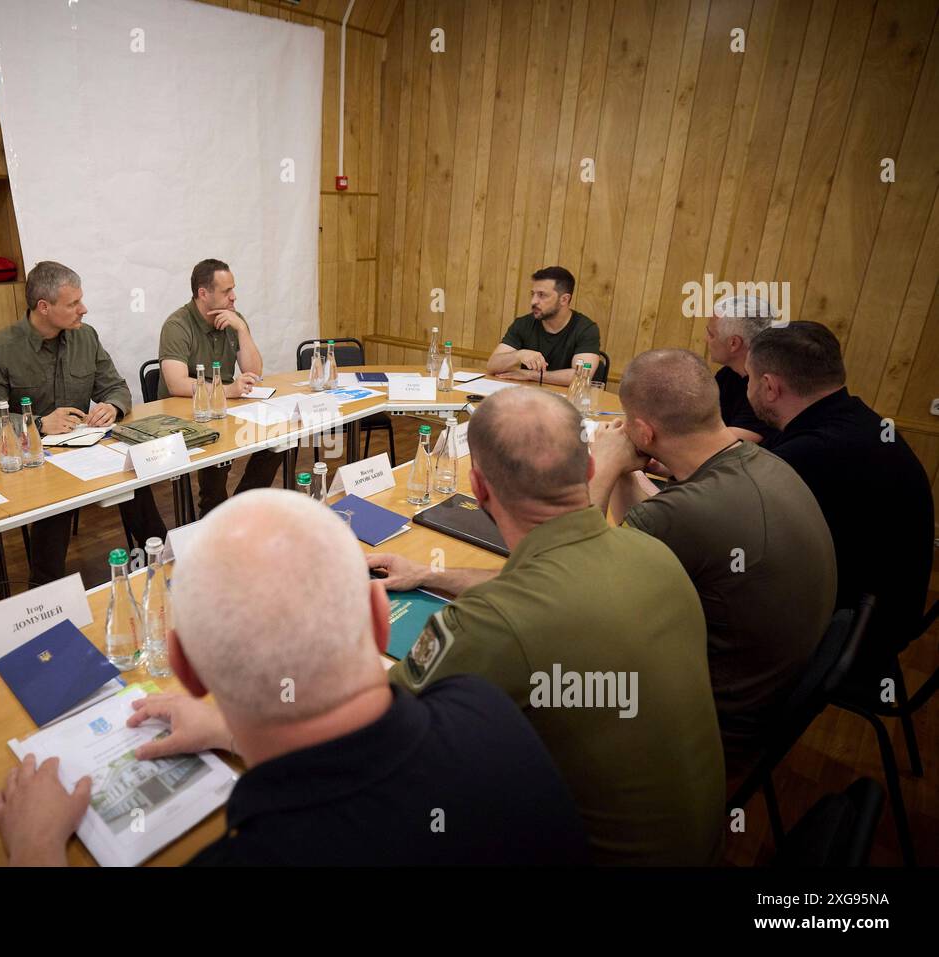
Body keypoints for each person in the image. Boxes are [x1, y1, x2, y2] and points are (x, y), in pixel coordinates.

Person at [0, 490, 587, 866]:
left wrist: (37, 847)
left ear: (185, 669)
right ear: (381, 621)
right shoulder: (485, 710)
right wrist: (230, 727)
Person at [369, 389, 725, 866]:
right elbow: (539, 584)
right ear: (591, 470)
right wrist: (430, 575)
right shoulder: (653, 553)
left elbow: (370, 725)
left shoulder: (493, 622)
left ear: (478, 488)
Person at [588, 349, 836, 776]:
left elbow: (570, 579)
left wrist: (604, 466)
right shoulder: (765, 463)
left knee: (540, 675)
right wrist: (630, 468)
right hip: (770, 698)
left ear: (643, 430)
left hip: (709, 732)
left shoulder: (685, 514)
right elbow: (662, 520)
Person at [747, 321, 934, 681]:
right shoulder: (854, 420)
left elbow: (730, 525)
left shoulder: (813, 452)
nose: (748, 388)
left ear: (769, 386)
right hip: (883, 609)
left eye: (750, 380)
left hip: (853, 636)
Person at [0, 261, 166, 584]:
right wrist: (39, 424)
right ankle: (45, 593)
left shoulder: (86, 338)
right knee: (55, 502)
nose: (83, 309)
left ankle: (159, 563)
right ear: (43, 307)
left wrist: (112, 407)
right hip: (33, 461)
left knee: (134, 473)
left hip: (85, 450)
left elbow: (116, 387)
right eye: (73, 304)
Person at [157, 259, 283, 516]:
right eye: (227, 291)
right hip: (186, 414)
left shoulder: (232, 319)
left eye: (233, 289)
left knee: (279, 438)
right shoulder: (177, 325)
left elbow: (254, 373)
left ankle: (238, 510)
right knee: (218, 455)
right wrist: (227, 391)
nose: (234, 297)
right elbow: (176, 383)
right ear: (203, 294)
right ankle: (212, 512)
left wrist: (242, 329)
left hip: (224, 409)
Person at [485, 266, 601, 386]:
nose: (533, 301)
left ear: (564, 299)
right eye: (533, 294)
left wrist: (530, 375)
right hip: (527, 395)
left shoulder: (586, 329)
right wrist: (518, 355)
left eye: (542, 295)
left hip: (565, 399)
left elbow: (581, 376)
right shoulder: (523, 324)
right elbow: (492, 366)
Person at [705, 294, 777, 444]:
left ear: (734, 343)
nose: (706, 339)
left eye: (711, 334)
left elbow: (724, 445)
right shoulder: (728, 374)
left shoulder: (766, 388)